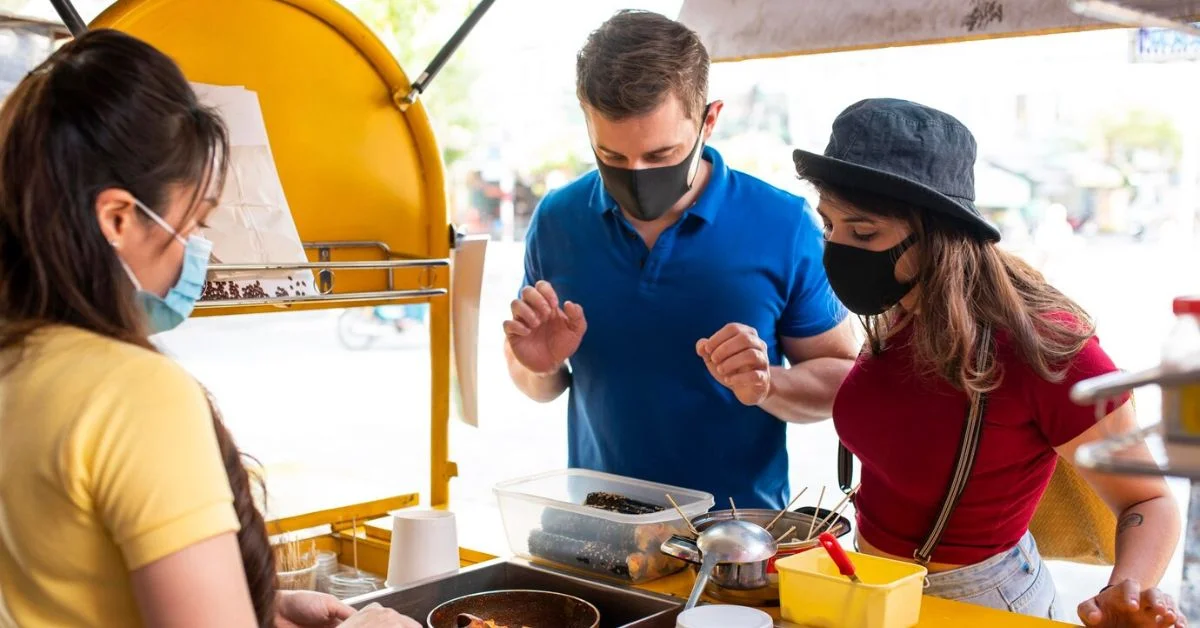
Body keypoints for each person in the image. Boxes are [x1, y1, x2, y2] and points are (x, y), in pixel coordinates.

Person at [0, 29, 419, 628]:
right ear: (117, 217)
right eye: (193, 221)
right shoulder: (134, 394)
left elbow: (74, 585)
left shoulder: (17, 359)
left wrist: (258, 608)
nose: (200, 250)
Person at [795, 98, 1183, 626]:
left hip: (976, 600)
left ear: (939, 235)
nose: (837, 249)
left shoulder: (1042, 346)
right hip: (872, 586)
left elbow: (1148, 501)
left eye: (863, 233)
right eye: (828, 225)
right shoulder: (898, 309)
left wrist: (1126, 590)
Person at [502, 10, 858, 509]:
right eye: (613, 157)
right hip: (598, 528)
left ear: (709, 121)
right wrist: (538, 366)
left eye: (661, 154)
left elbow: (843, 376)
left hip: (734, 541)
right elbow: (538, 381)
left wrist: (765, 383)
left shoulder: (782, 224)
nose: (637, 174)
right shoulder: (558, 220)